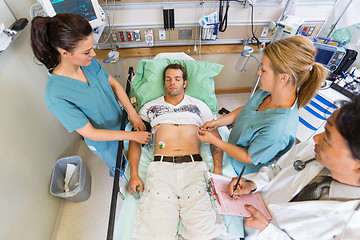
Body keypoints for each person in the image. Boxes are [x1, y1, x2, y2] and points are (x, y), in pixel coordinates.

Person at [30, 13, 150, 176]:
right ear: (64, 52)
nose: (93, 54)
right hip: (103, 141)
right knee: (121, 168)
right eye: (87, 51)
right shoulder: (56, 96)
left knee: (137, 158)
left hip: (120, 122)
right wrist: (132, 136)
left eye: (92, 48)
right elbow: (91, 133)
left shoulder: (87, 62)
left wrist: (132, 113)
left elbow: (113, 84)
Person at [228, 94, 360, 239]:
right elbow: (276, 169)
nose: (316, 138)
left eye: (327, 137)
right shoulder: (312, 149)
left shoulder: (353, 227)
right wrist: (252, 184)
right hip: (241, 215)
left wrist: (267, 231)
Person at [197, 35, 329, 176]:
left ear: (283, 78)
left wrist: (216, 142)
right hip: (231, 145)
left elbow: (249, 157)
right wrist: (218, 122)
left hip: (240, 169)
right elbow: (247, 110)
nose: (258, 72)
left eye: (264, 70)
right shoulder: (267, 91)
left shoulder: (278, 129)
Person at [127, 63, 226, 239]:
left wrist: (217, 170)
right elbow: (135, 139)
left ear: (185, 83)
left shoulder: (200, 106)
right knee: (158, 234)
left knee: (204, 234)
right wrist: (134, 174)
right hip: (161, 169)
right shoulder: (149, 108)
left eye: (177, 79)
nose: (173, 82)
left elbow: (215, 137)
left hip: (194, 169)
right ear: (164, 83)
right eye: (168, 79)